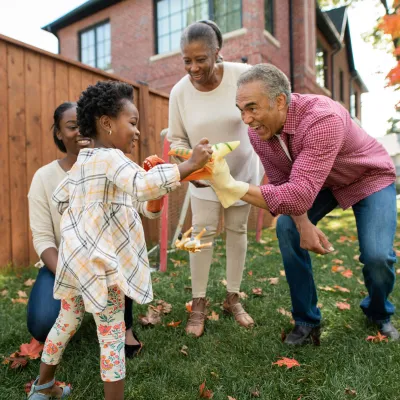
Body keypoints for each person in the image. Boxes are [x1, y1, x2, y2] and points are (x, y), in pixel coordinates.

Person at [28, 81, 212, 400]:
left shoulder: (84, 162)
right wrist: (189, 166)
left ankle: (42, 387)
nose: (137, 132)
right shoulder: (112, 160)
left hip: (74, 266)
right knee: (112, 338)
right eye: (133, 122)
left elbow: (61, 198)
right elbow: (142, 186)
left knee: (65, 322)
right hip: (102, 269)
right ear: (107, 123)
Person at [210, 63, 398, 345]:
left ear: (280, 101)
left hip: (367, 177)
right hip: (321, 183)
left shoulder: (323, 118)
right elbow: (282, 185)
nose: (246, 119)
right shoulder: (258, 133)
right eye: (241, 110)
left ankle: (378, 311)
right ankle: (306, 320)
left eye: (252, 108)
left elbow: (297, 195)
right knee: (287, 227)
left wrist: (232, 187)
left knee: (377, 256)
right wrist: (303, 223)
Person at [167, 20, 261, 338]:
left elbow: (259, 113)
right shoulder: (179, 92)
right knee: (202, 237)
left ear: (216, 53)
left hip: (242, 174)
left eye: (200, 59)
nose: (193, 67)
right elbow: (176, 140)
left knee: (237, 230)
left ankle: (232, 298)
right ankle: (199, 304)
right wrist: (191, 165)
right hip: (204, 179)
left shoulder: (240, 77)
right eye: (187, 60)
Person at [27, 102, 142, 358]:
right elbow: (43, 238)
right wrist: (74, 275)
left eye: (85, 124)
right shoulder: (44, 177)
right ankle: (75, 312)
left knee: (118, 260)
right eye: (71, 126)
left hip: (108, 263)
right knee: (42, 323)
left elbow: (142, 206)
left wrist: (161, 182)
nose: (80, 131)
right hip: (64, 264)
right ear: (58, 133)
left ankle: (124, 327)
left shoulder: (114, 166)